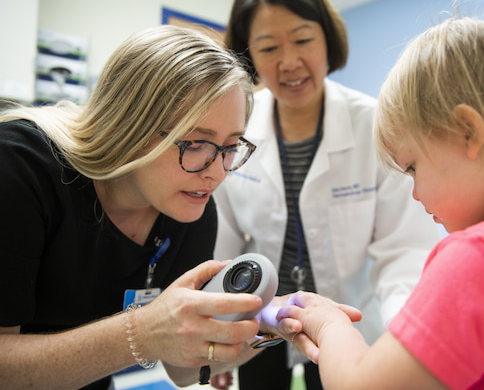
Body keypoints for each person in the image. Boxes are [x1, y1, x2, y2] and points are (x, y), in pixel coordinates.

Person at [0, 25, 334, 389]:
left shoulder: (191, 207)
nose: (217, 172)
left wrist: (261, 324)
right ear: (130, 124)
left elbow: (183, 370)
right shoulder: (19, 169)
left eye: (231, 146)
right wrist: (140, 334)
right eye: (196, 144)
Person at [277, 16, 484, 389]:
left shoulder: (482, 259)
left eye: (412, 167)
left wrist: (329, 324)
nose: (414, 194)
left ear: (468, 132)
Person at [213, 0, 441, 388]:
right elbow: (223, 243)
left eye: (302, 40)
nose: (289, 63)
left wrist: (407, 341)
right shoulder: (236, 126)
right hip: (260, 319)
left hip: (346, 325)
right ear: (247, 56)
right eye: (268, 47)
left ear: (327, 41)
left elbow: (403, 248)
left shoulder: (374, 124)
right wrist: (219, 332)